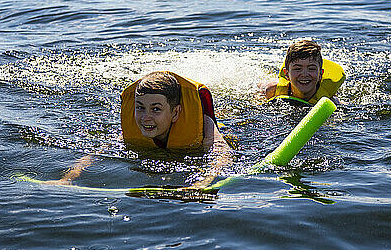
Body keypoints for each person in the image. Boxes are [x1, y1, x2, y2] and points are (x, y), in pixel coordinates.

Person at [43, 71, 231, 188]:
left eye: (156, 109)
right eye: (140, 107)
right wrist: (68, 178)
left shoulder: (206, 128)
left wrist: (201, 183)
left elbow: (222, 155)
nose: (145, 117)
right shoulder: (131, 129)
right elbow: (96, 154)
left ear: (175, 113)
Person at [261, 40, 345, 106]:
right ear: (286, 74)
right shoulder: (272, 90)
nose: (304, 74)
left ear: (320, 74)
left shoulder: (328, 100)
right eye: (297, 69)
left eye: (311, 68)